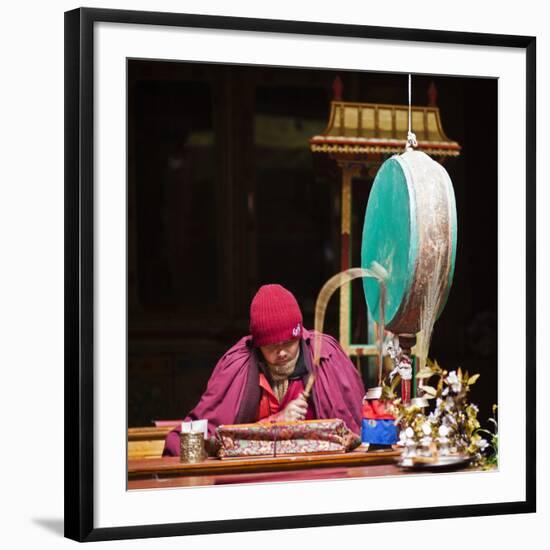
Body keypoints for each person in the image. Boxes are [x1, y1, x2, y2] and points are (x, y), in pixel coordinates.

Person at [163, 284, 365, 456]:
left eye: (289, 343)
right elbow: (203, 437)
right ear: (258, 346)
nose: (282, 353)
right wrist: (276, 421)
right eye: (271, 346)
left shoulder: (325, 357)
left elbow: (355, 432)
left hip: (316, 471)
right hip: (253, 475)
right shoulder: (238, 367)